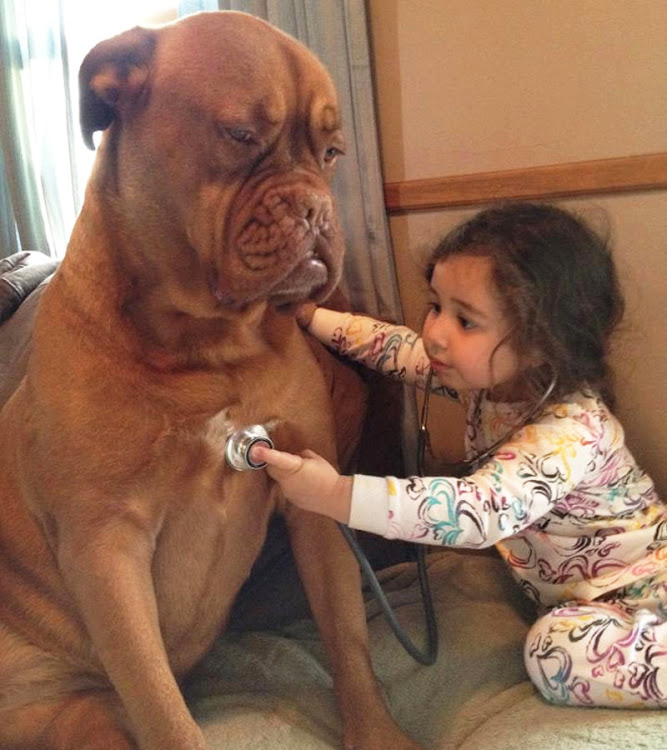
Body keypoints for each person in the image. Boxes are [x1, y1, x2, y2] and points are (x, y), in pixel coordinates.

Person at [252, 202, 667, 709]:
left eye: (465, 320)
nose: (435, 333)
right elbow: (392, 347)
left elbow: (477, 510)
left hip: (645, 591)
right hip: (597, 604)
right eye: (436, 306)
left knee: (552, 654)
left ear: (541, 343)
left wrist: (337, 494)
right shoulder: (483, 383)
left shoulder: (569, 431)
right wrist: (311, 317)